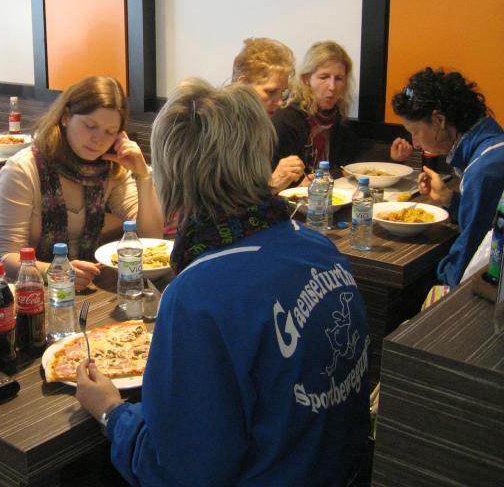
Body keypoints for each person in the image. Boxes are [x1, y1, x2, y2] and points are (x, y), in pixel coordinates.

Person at [76, 80, 370, 485]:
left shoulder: (198, 295)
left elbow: (180, 472)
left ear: (174, 175)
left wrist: (112, 412)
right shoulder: (319, 247)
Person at [0, 76, 162, 289]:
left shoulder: (110, 168)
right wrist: (56, 272)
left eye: (110, 132)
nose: (98, 139)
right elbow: (7, 257)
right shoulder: (23, 169)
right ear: (65, 117)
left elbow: (151, 238)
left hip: (91, 287)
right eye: (90, 126)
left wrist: (143, 175)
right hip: (33, 292)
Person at [391, 67, 504, 289]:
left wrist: (439, 278)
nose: (415, 143)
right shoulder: (494, 144)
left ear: (439, 120)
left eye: (415, 131)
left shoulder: (483, 169)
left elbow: (468, 258)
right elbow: (488, 218)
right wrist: (450, 200)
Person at [272, 40, 361, 179]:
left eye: (339, 79)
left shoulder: (336, 116)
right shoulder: (288, 119)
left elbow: (349, 163)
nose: (332, 87)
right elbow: (280, 177)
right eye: (324, 77)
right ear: (306, 79)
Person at [231, 37, 305, 191]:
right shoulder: (218, 131)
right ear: (242, 85)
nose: (280, 102)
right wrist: (273, 185)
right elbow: (222, 202)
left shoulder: (258, 126)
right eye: (270, 92)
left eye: (282, 93)